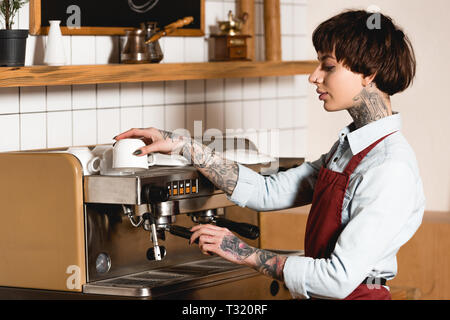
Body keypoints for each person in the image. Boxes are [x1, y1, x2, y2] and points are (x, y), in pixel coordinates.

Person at [113, 9, 425, 300]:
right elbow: (267, 191)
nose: (314, 76)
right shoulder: (348, 148)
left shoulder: (388, 167)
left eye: (328, 66)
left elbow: (336, 278)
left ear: (368, 73)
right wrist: (183, 146)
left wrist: (243, 252)